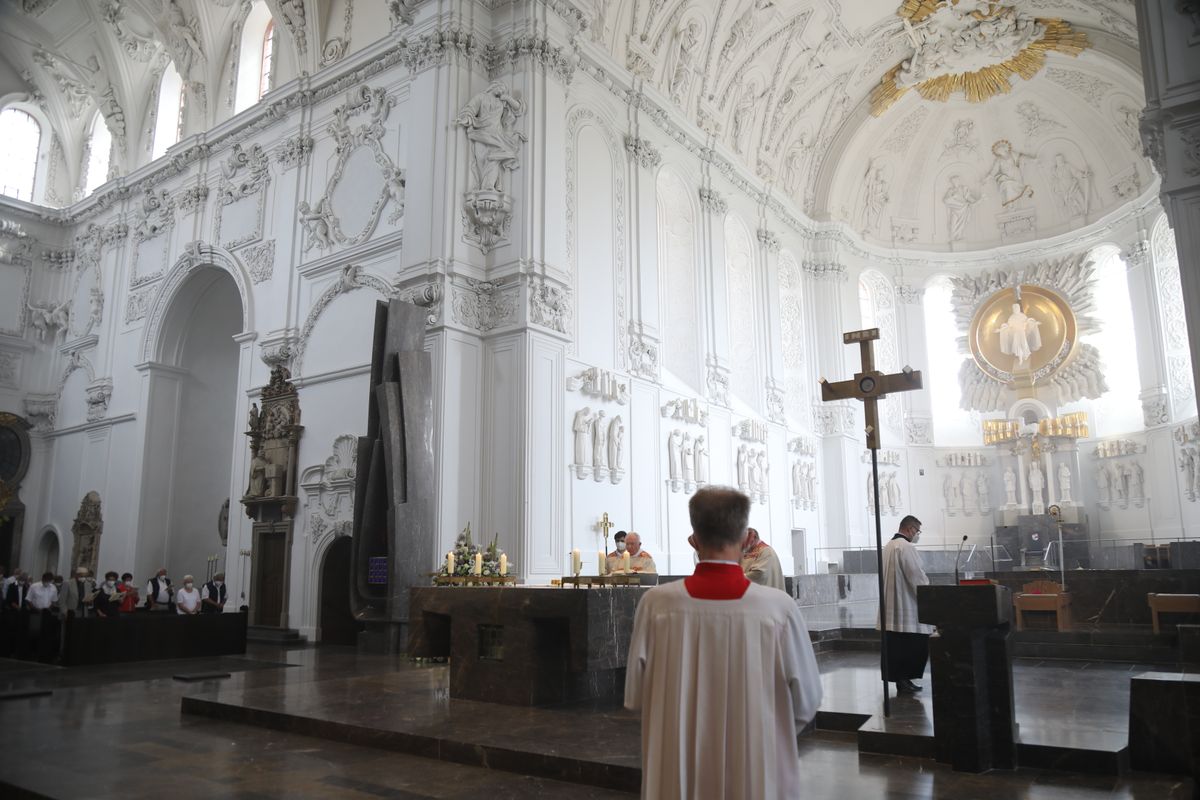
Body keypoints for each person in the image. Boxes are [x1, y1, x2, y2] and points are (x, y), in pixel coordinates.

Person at [625, 486, 822, 798]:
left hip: (678, 773)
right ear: (745, 539)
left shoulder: (656, 605)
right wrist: (761, 731)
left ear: (693, 540)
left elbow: (635, 698)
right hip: (756, 771)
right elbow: (807, 700)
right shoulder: (779, 609)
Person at [879, 515, 932, 695]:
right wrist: (927, 594)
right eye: (917, 531)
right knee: (912, 646)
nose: (917, 535)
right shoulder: (906, 547)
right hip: (906, 606)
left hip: (891, 606)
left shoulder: (888, 546)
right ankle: (905, 679)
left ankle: (902, 681)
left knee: (896, 648)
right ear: (909, 529)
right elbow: (915, 575)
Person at [27, 572, 60, 662]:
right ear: (43, 579)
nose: (48, 582)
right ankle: (32, 653)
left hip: (47, 613)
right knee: (34, 633)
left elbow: (54, 601)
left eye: (50, 580)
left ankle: (43, 654)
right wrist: (35, 609)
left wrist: (49, 608)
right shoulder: (34, 586)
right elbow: (29, 600)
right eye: (47, 580)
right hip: (36, 612)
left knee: (46, 634)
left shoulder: (53, 588)